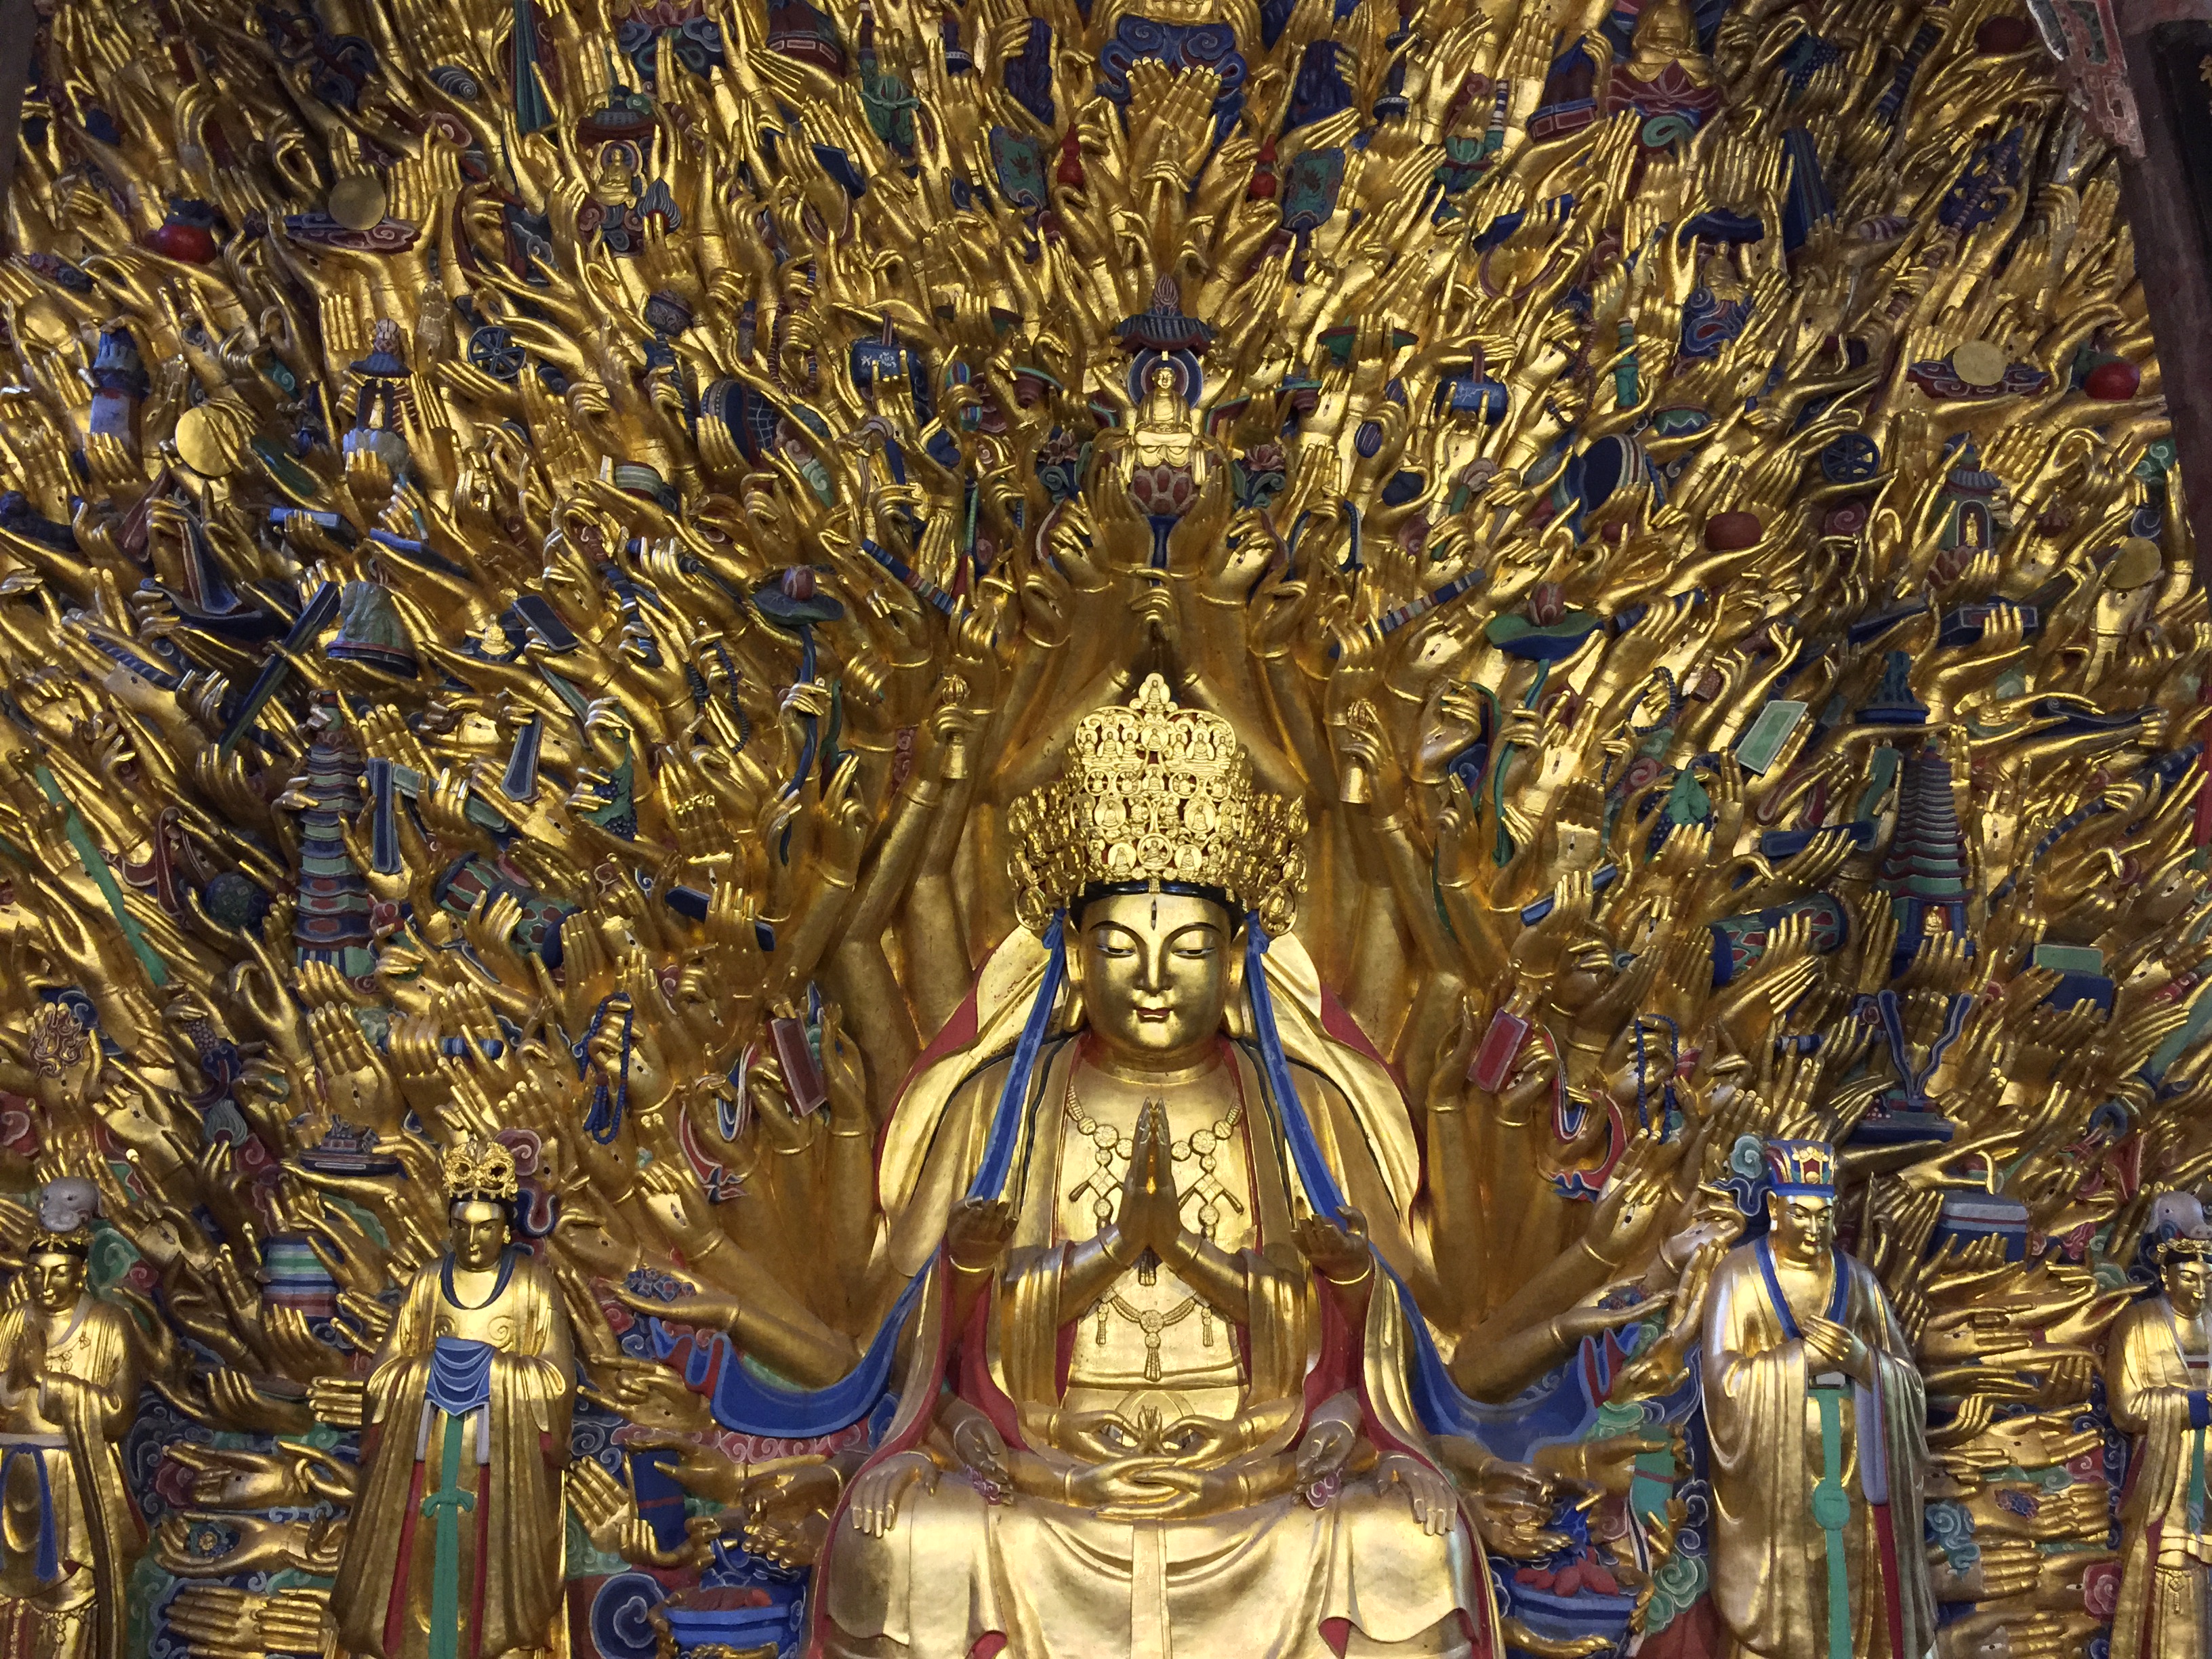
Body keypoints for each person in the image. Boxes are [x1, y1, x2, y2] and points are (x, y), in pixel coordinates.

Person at [811, 674, 1501, 1659]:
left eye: (1185, 950)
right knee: (910, 1540)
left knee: (1403, 1542)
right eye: (1118, 947)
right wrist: (974, 1271)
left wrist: (1330, 1277)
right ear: (1074, 962)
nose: (1149, 980)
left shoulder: (1295, 1104)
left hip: (1254, 1466)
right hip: (1046, 1464)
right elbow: (909, 1318)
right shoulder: (995, 1107)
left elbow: (1381, 1320)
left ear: (1232, 967)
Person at [331, 1136, 577, 1659]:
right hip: (424, 1458)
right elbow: (382, 1377)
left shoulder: (533, 1287)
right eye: (461, 1227)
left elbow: (556, 1381)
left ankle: (500, 1642)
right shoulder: (426, 1284)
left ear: (506, 1228)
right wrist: (427, 1372)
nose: (472, 1239)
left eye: (485, 1227)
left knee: (485, 1570)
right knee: (413, 1567)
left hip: (500, 1468)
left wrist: (489, 1370)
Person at [1701, 1139, 1936, 1659]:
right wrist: (1796, 1362)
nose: (1813, 1230)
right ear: (1773, 1209)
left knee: (1854, 1612)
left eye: (1825, 1216)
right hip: (1778, 1481)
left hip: (1855, 1476)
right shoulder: (1739, 1277)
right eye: (1800, 1215)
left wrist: (1861, 1361)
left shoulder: (1859, 1280)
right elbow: (1721, 1381)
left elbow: (1909, 1382)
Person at [0, 1206, 143, 1659]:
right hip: (10, 1474)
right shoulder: (12, 1321)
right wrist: (12, 1384)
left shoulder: (109, 1324)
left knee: (71, 1593)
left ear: (81, 1274)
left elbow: (118, 1414)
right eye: (37, 1273)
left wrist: (48, 1383)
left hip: (73, 1476)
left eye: (59, 1273)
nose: (45, 1285)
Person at [2106, 1231, 2212, 1659]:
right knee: (2175, 1575)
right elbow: (2127, 1407)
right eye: (2189, 1277)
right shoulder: (2140, 1323)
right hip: (2171, 1479)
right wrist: (2190, 1406)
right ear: (2167, 1279)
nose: (2201, 1288)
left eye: (2207, 1278)